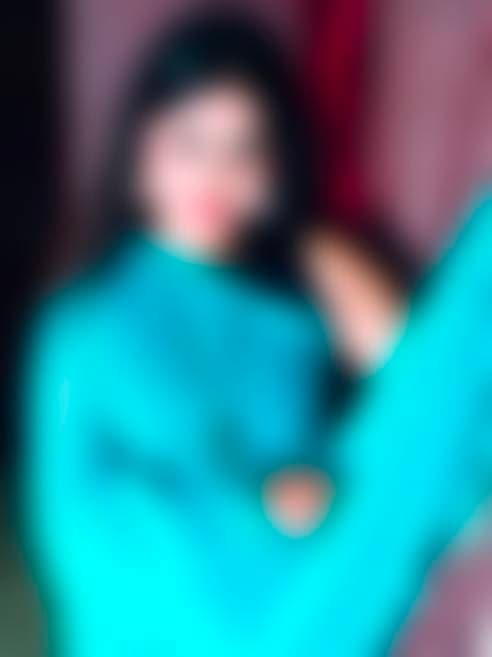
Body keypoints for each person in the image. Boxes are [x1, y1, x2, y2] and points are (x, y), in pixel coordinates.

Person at [19, 9, 492, 657]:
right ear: (139, 149)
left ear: (273, 173)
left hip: (314, 594)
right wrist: (250, 511)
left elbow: (409, 418)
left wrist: (322, 255)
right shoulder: (82, 328)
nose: (214, 175)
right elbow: (73, 521)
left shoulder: (293, 318)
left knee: (443, 400)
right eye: (191, 144)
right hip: (176, 626)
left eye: (243, 150)